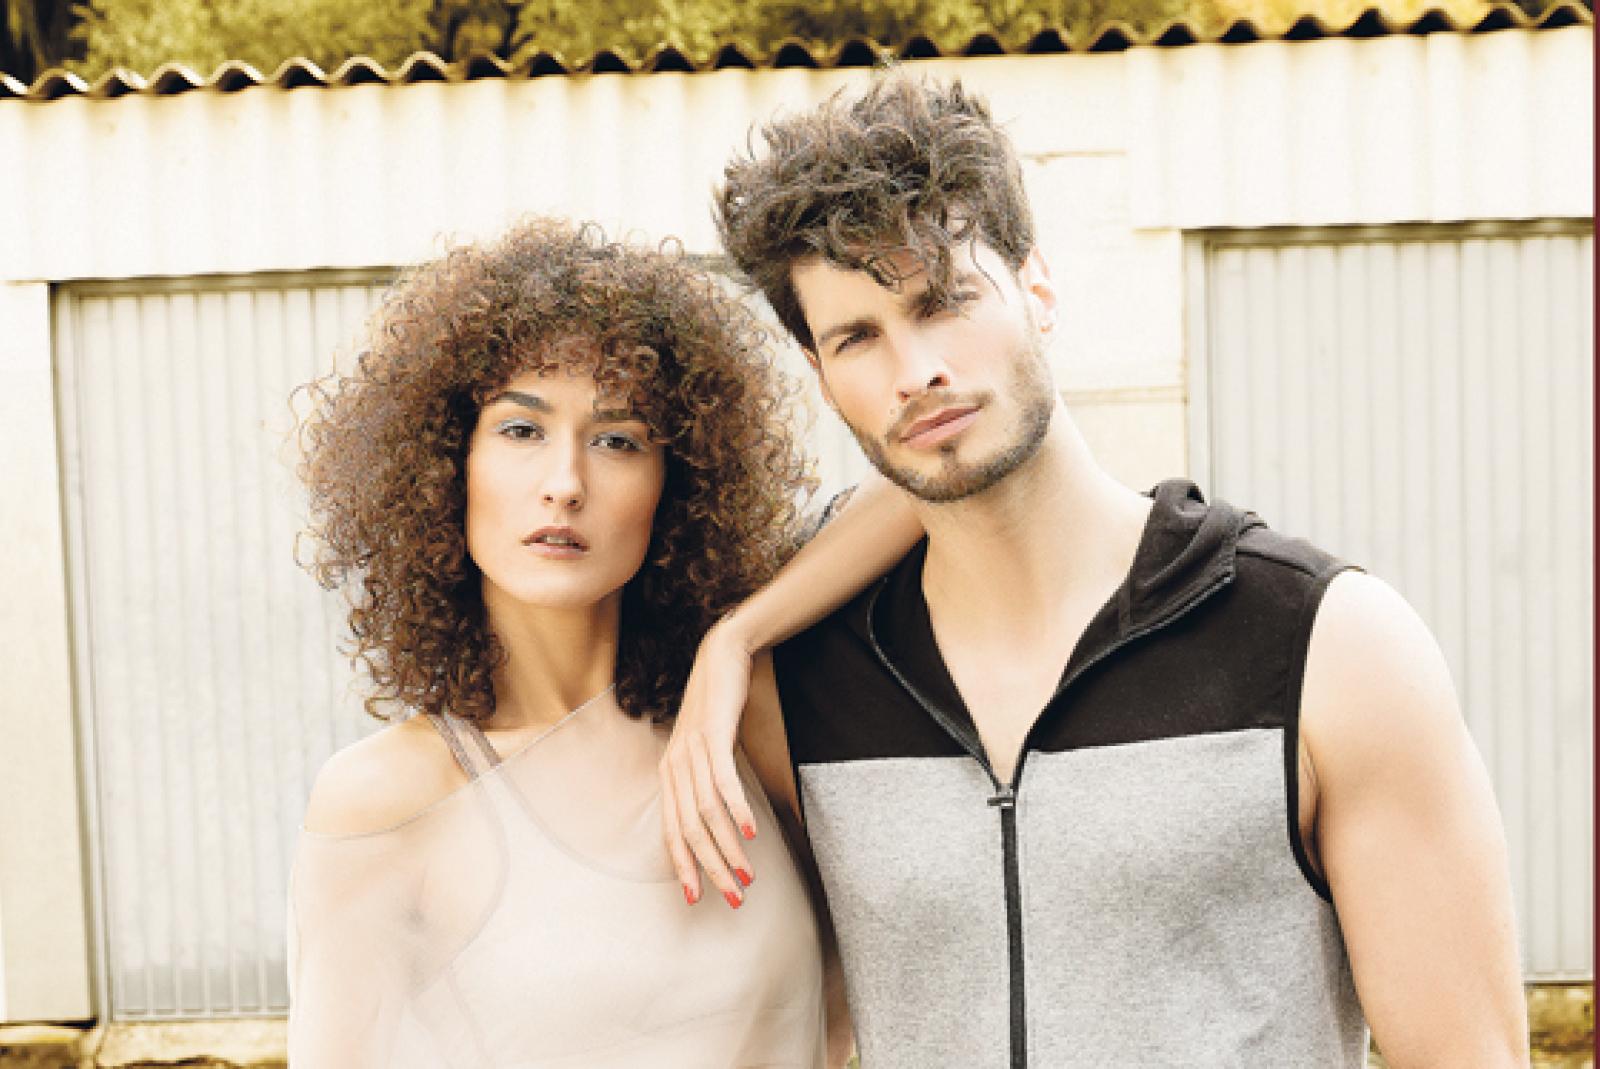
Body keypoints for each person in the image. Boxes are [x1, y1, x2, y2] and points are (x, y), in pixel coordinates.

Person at [660, 73, 1529, 1067]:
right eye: (858, 337)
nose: (915, 371)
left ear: (1037, 287)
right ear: (820, 374)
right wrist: (736, 637)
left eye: (945, 301)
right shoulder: (803, 693)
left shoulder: (1326, 645)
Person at [287, 217, 918, 1067]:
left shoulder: (742, 723)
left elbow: (933, 485)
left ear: (676, 483)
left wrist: (737, 638)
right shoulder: (386, 797)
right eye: (521, 430)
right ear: (447, 463)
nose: (565, 484)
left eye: (618, 440)